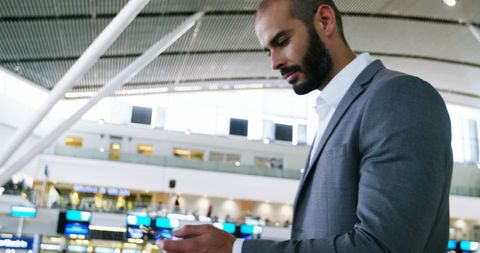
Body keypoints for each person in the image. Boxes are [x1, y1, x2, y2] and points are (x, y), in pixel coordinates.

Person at [160, 0, 453, 252]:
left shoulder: (398, 97)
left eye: (282, 41)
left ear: (325, 21)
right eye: (268, 51)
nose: (274, 62)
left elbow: (382, 246)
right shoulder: (335, 111)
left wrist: (237, 248)